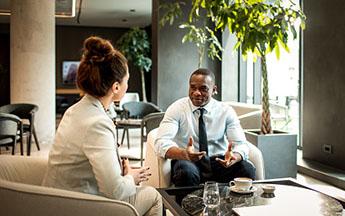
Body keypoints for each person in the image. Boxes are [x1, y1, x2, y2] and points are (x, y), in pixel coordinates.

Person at [42, 36, 162, 216]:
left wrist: (120, 172)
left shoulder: (75, 110)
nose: (127, 85)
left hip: (56, 197)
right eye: (126, 80)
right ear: (115, 87)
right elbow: (115, 191)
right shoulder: (98, 123)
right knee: (153, 196)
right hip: (75, 205)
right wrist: (132, 177)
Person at [155, 68, 256, 186]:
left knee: (247, 169)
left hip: (219, 161)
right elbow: (161, 142)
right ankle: (187, 205)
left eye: (203, 89)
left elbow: (241, 144)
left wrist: (234, 156)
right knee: (185, 172)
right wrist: (184, 154)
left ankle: (237, 204)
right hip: (188, 161)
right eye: (193, 87)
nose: (197, 93)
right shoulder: (177, 108)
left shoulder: (226, 111)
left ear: (214, 90)